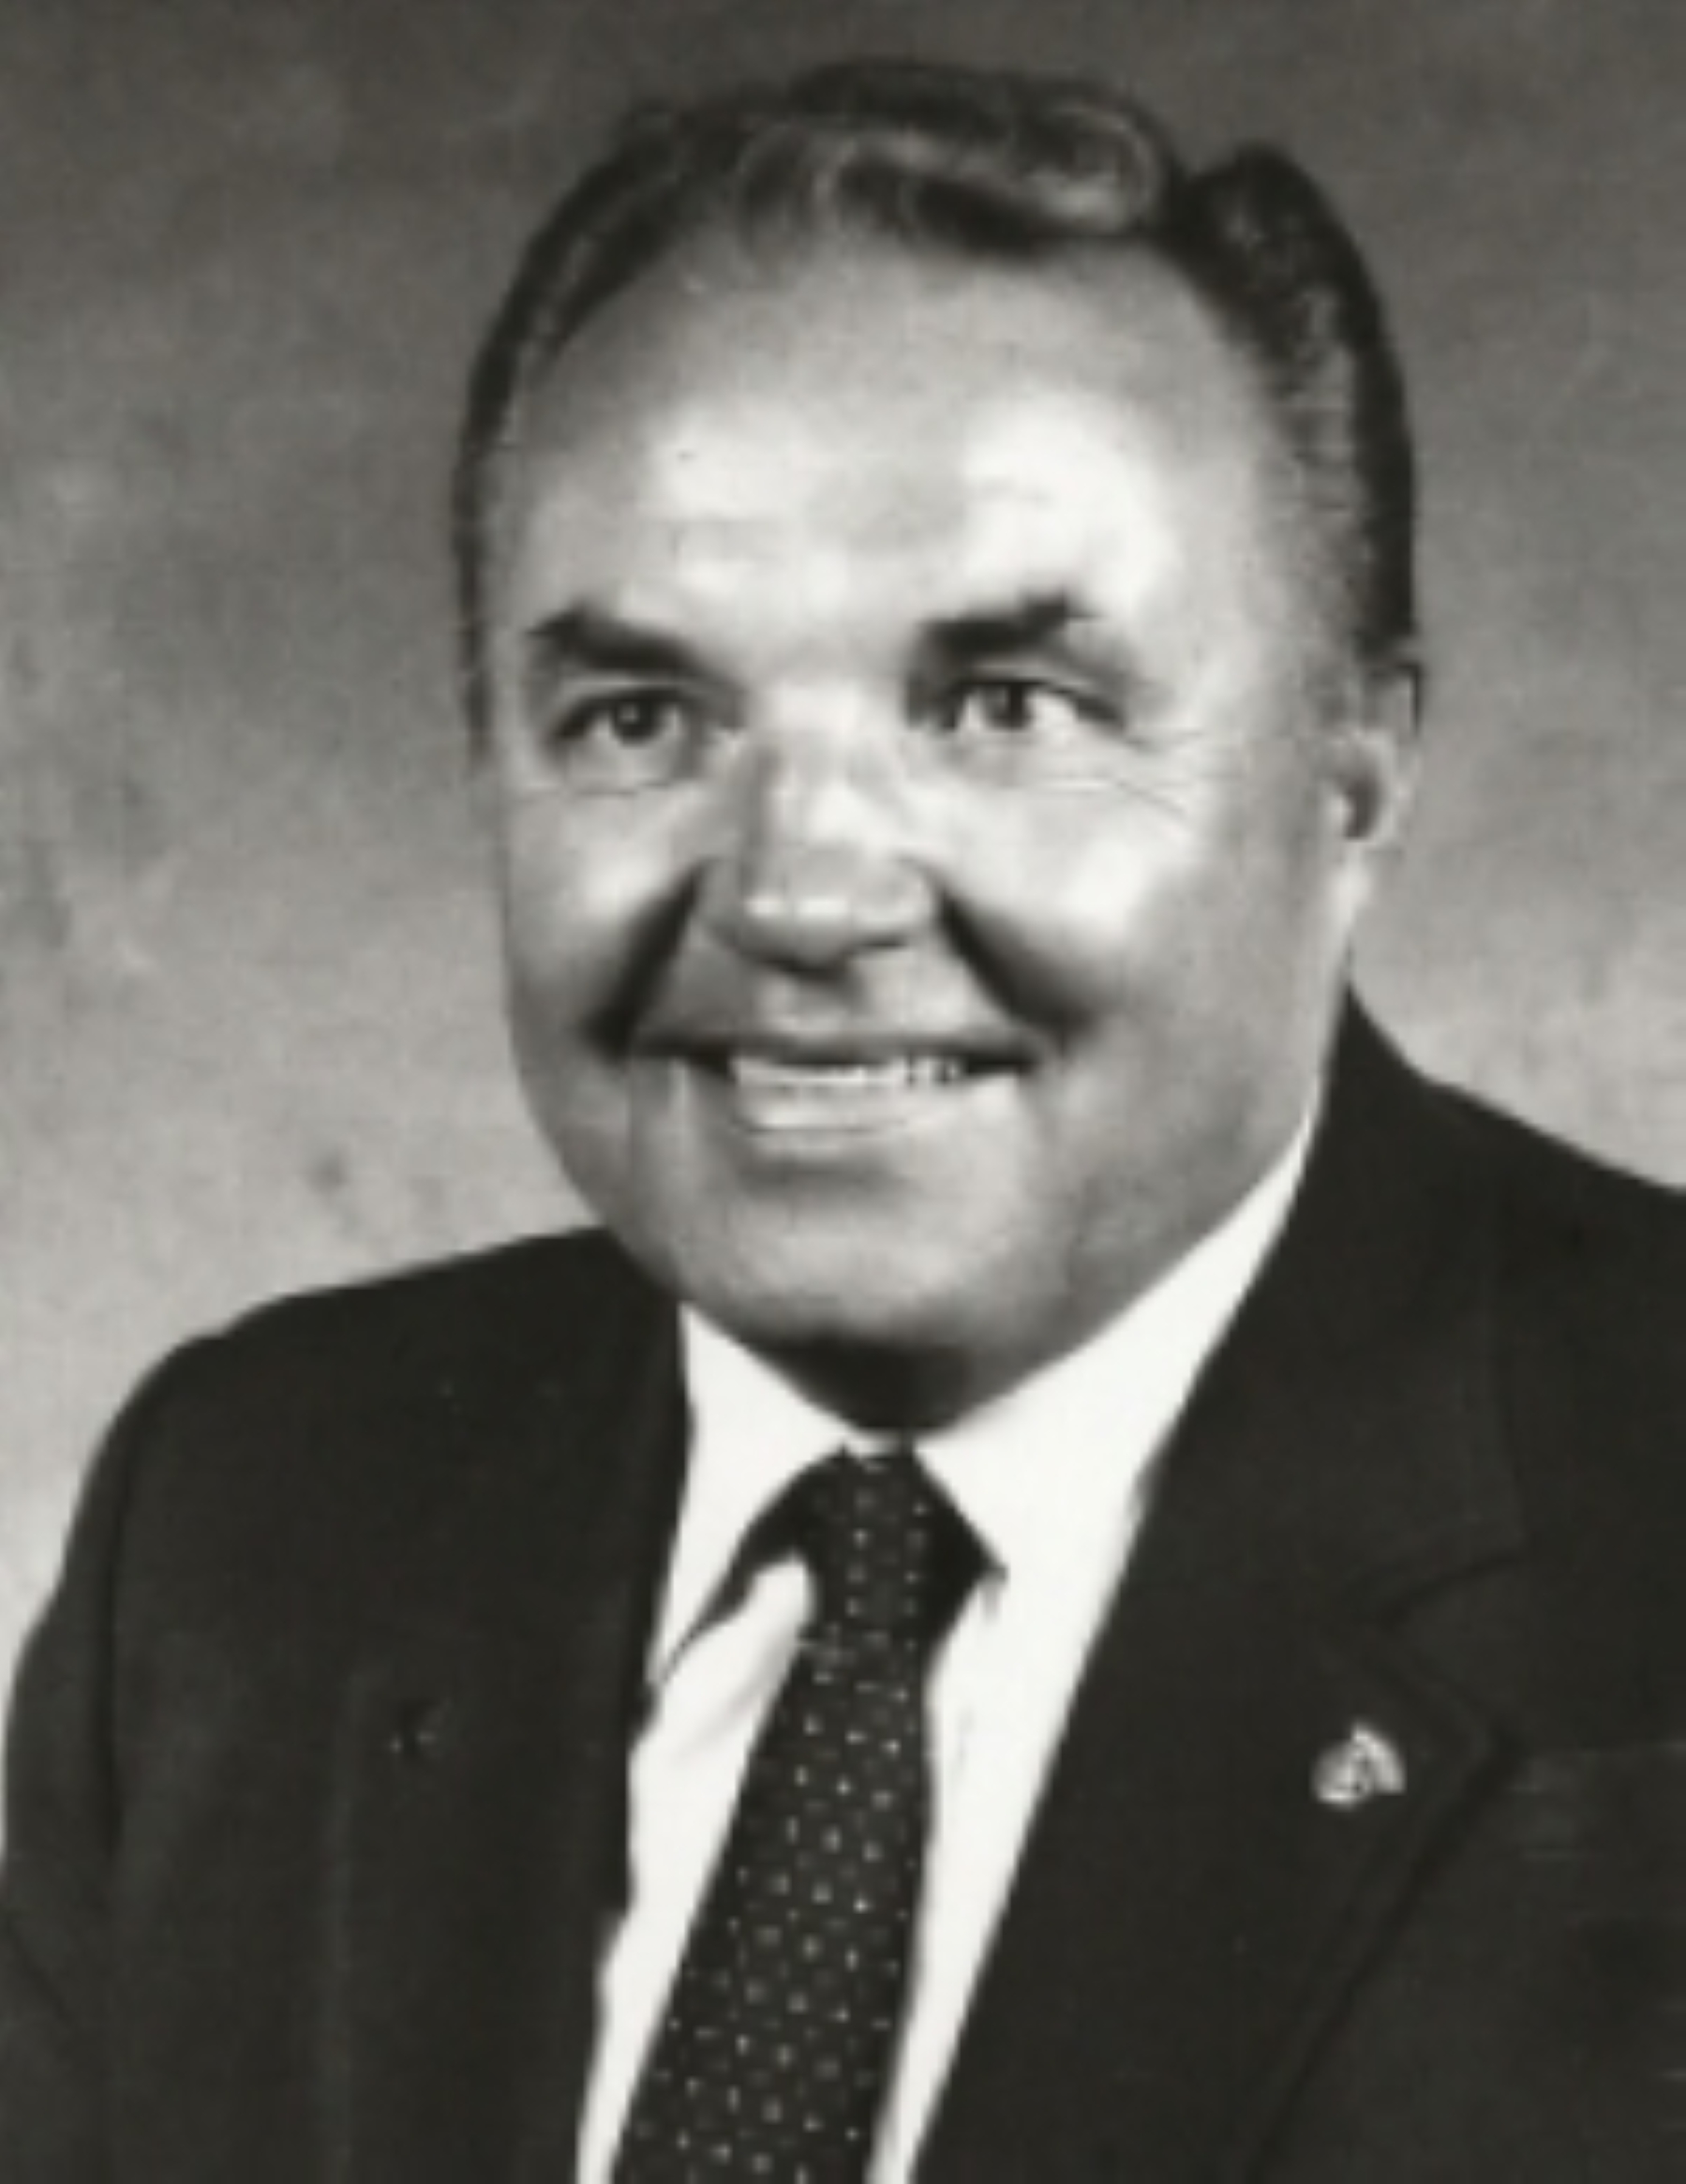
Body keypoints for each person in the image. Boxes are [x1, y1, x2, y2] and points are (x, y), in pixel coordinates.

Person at [5, 55, 1685, 2182]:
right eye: (642, 715)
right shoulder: (251, 1527)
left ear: (1354, 776)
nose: (799, 896)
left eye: (1008, 708)